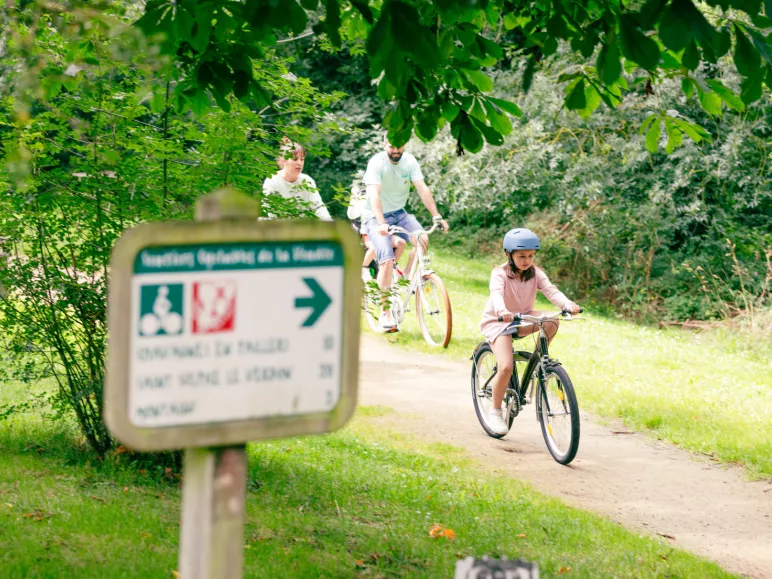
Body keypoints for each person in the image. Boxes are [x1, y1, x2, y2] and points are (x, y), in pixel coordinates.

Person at [479, 228, 581, 435]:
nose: (527, 261)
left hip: (524, 317)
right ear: (509, 255)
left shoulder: (536, 274)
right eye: (521, 256)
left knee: (552, 320)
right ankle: (496, 411)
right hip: (499, 321)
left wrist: (568, 304)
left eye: (531, 256)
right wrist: (502, 310)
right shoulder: (499, 274)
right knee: (506, 367)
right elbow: (496, 293)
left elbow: (551, 291)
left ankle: (539, 362)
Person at [361, 134, 449, 330]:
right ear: (385, 144)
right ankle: (385, 313)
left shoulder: (409, 162)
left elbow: (422, 189)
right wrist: (382, 223)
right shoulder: (377, 163)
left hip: (399, 213)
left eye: (399, 146)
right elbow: (374, 195)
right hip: (375, 217)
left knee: (423, 238)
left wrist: (436, 216)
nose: (395, 150)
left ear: (405, 144)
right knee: (386, 261)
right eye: (392, 146)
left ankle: (407, 273)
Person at [262, 138, 332, 221]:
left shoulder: (307, 181)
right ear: (283, 160)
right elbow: (270, 214)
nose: (299, 163)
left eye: (302, 159)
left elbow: (319, 208)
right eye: (295, 159)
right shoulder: (272, 181)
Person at [347, 184, 406, 278]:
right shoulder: (366, 200)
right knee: (376, 246)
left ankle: (391, 267)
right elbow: (352, 215)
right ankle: (364, 268)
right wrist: (355, 199)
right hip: (369, 235)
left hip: (385, 234)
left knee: (401, 243)